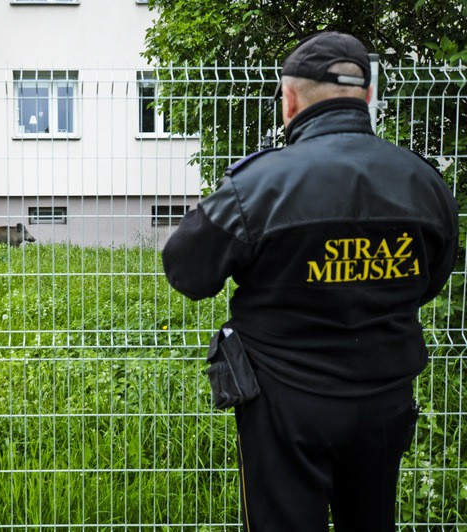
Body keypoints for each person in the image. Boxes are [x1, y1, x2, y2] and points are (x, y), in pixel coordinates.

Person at [162, 32, 459, 531]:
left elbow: (187, 273)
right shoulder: (424, 183)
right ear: (367, 97)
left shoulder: (258, 185)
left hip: (284, 403)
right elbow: (433, 280)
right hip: (384, 398)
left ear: (290, 99)